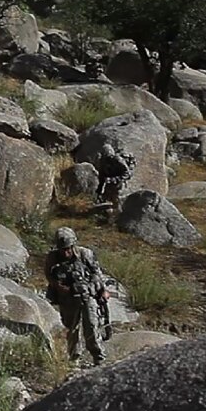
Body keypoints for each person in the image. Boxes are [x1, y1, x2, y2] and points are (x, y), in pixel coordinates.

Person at [45, 227, 108, 366]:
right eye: (63, 249)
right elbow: (48, 275)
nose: (66, 252)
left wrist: (102, 290)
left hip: (87, 295)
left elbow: (97, 272)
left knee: (91, 325)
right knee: (72, 328)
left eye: (68, 248)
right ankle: (74, 359)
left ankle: (99, 358)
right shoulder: (53, 258)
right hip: (67, 298)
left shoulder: (85, 254)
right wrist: (58, 286)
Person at [94, 143, 135, 210]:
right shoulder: (102, 162)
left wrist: (114, 179)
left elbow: (127, 173)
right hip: (110, 181)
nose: (108, 157)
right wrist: (99, 191)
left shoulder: (118, 160)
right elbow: (102, 176)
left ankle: (118, 213)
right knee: (106, 197)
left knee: (116, 198)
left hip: (119, 181)